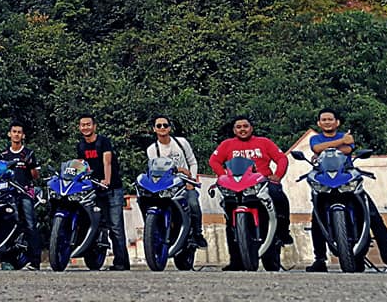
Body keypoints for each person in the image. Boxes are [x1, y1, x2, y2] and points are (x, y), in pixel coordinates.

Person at [304, 109, 387, 273]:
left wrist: (335, 145)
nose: (327, 122)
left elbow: (348, 150)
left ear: (337, 122)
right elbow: (316, 148)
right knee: (317, 219)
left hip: (347, 178)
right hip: (324, 181)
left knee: (374, 218)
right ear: (319, 123)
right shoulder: (316, 138)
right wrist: (340, 142)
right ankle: (320, 259)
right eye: (324, 119)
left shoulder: (346, 136)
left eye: (330, 119)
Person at [208, 115, 292, 271]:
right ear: (234, 130)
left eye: (245, 126)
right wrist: (222, 175)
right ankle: (236, 261)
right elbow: (214, 161)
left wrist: (277, 176)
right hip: (235, 186)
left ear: (251, 128)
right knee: (229, 221)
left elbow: (281, 158)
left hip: (262, 184)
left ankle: (283, 231)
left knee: (279, 197)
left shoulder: (264, 142)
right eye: (238, 127)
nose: (242, 129)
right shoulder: (227, 144)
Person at [77, 113, 130, 271]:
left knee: (115, 227)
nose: (85, 127)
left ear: (94, 126)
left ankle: (121, 263)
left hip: (111, 189)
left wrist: (106, 180)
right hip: (93, 189)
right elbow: (81, 166)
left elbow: (107, 162)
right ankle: (93, 255)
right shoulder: (81, 145)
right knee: (93, 222)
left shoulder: (103, 142)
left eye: (88, 124)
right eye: (83, 125)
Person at [145, 115, 206, 248]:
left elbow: (192, 162)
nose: (162, 128)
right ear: (154, 129)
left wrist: (191, 180)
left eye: (165, 125)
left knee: (193, 204)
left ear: (170, 128)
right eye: (159, 126)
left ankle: (197, 234)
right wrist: (178, 169)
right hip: (165, 186)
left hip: (184, 184)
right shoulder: (152, 149)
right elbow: (155, 169)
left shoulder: (181, 143)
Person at [0, 121, 42, 270]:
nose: (16, 134)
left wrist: (31, 166)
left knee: (30, 224)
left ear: (23, 135)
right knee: (5, 224)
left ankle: (35, 261)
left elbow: (36, 176)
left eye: (19, 132)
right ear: (9, 134)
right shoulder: (3, 154)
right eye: (14, 131)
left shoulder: (29, 153)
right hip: (7, 193)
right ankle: (7, 259)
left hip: (25, 191)